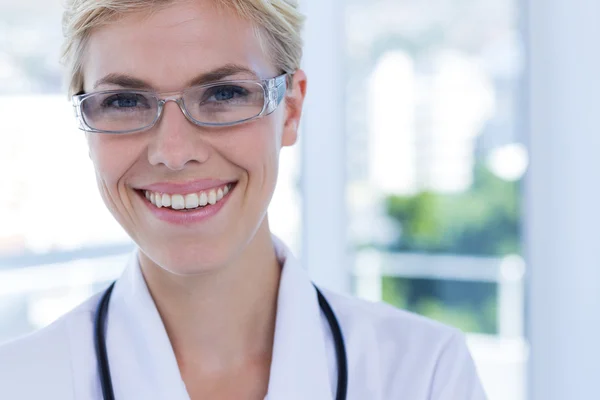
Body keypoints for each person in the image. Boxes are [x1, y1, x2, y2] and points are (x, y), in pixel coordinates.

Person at [0, 0, 487, 399]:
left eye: (224, 93)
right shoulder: (20, 383)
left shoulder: (424, 375)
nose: (174, 152)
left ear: (291, 110)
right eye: (125, 102)